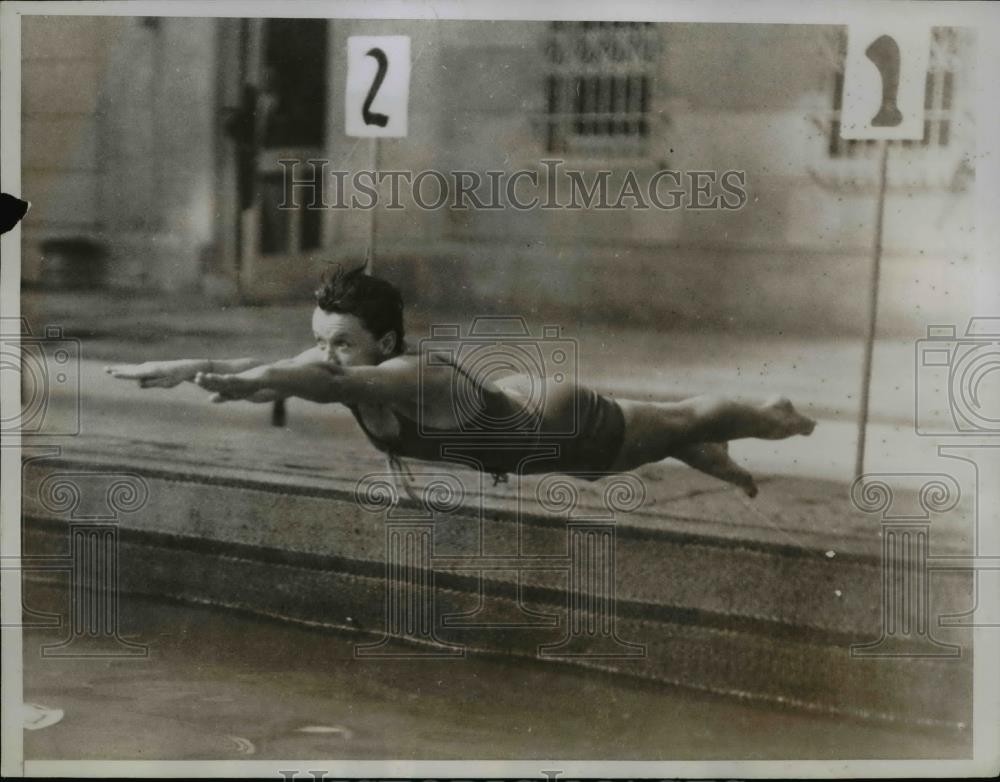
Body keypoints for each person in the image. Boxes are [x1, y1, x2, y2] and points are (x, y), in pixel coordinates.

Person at [106, 266, 815, 497]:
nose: (328, 354)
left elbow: (315, 384)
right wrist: (181, 369)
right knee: (667, 430)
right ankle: (711, 449)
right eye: (322, 339)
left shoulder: (405, 375)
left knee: (683, 419)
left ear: (383, 342)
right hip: (535, 439)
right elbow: (272, 371)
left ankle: (770, 411)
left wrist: (249, 382)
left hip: (562, 427)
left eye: (342, 343)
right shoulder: (343, 360)